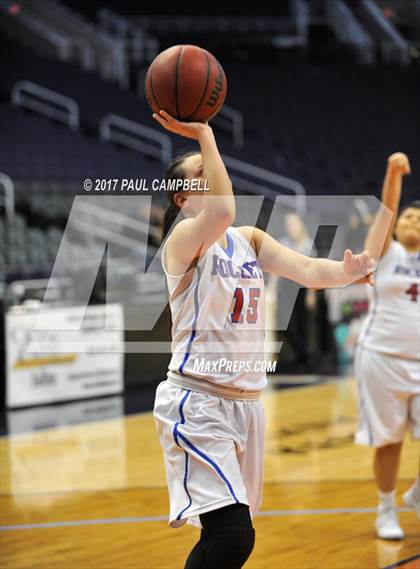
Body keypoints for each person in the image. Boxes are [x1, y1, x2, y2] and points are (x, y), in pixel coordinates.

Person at [152, 110, 374, 569]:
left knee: (228, 538)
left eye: (212, 166)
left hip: (248, 404)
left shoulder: (247, 240)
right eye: (200, 173)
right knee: (233, 537)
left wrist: (347, 274)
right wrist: (205, 134)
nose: (212, 174)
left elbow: (309, 270)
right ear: (182, 197)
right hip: (198, 402)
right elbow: (223, 209)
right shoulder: (182, 242)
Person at [354, 152, 420, 540]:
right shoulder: (387, 253)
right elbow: (389, 209)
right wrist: (393, 173)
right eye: (409, 217)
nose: (413, 220)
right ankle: (385, 509)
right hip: (382, 359)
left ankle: (416, 495)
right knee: (390, 442)